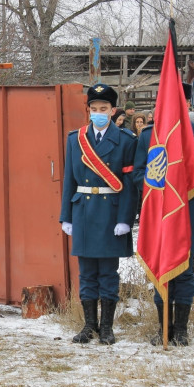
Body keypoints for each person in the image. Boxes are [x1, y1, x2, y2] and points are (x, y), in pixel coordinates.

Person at [134, 82, 194, 346]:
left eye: (180, 102)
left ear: (188, 105)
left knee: (183, 271)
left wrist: (183, 179)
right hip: (159, 211)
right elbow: (138, 175)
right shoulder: (149, 136)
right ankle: (164, 329)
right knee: (162, 268)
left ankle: (181, 330)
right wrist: (160, 180)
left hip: (188, 210)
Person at [60, 83, 137, 345]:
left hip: (110, 213)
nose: (98, 113)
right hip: (83, 211)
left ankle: (107, 328)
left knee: (108, 274)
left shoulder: (126, 140)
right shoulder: (75, 139)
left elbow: (129, 186)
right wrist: (66, 216)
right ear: (89, 110)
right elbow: (69, 180)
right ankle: (88, 326)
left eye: (104, 109)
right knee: (86, 274)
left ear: (113, 110)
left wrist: (125, 219)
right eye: (94, 109)